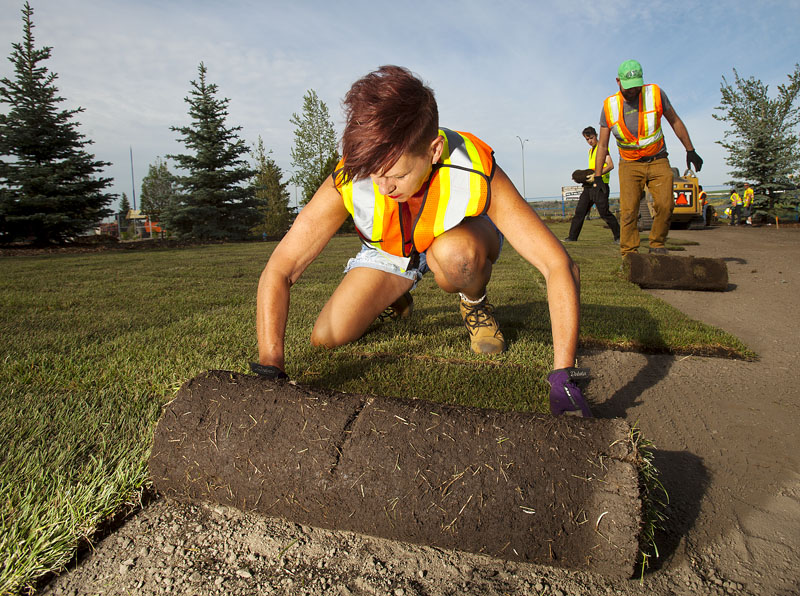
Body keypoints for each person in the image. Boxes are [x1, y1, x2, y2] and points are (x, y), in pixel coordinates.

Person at [253, 65, 591, 417]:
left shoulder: (473, 166)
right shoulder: (352, 174)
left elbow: (558, 265)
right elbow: (281, 268)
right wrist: (270, 363)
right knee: (326, 337)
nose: (383, 188)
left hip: (457, 239)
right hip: (393, 254)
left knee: (456, 256)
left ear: (434, 150)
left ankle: (474, 303)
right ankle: (397, 295)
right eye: (374, 175)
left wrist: (565, 373)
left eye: (397, 175)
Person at [592, 59, 703, 256]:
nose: (633, 91)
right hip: (629, 164)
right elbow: (602, 144)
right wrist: (598, 175)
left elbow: (675, 121)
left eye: (637, 86)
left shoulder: (655, 94)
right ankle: (629, 253)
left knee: (666, 205)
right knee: (629, 210)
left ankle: (657, 245)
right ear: (618, 82)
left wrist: (690, 149)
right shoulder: (609, 106)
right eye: (628, 87)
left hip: (658, 159)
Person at [564, 127, 620, 243]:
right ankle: (572, 237)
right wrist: (582, 177)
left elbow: (610, 165)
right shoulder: (591, 151)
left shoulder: (602, 148)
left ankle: (619, 237)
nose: (590, 141)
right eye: (587, 139)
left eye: (591, 138)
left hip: (600, 185)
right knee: (580, 212)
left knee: (604, 213)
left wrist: (596, 175)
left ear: (596, 135)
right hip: (588, 186)